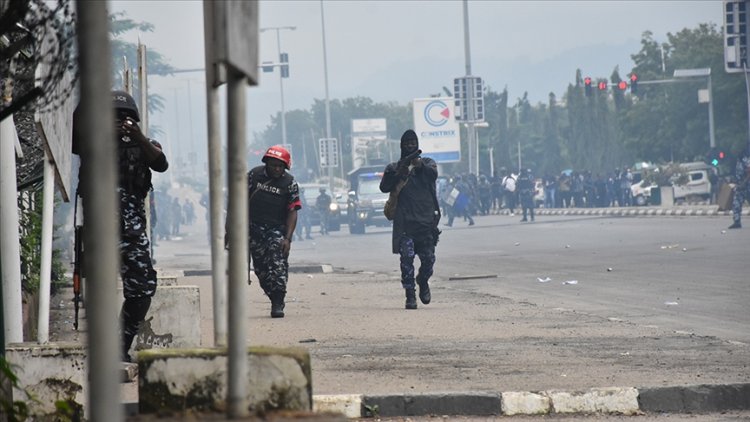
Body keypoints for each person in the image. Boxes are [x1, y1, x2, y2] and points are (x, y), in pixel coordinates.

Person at [73, 91, 169, 362]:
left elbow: (161, 164)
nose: (121, 122)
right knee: (97, 291)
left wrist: (137, 137)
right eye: (114, 117)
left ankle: (120, 343)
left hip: (132, 232)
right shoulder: (92, 144)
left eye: (126, 118)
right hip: (98, 231)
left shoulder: (146, 145)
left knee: (143, 288)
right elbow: (75, 138)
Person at [380, 129, 441, 310]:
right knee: (406, 260)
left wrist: (418, 165)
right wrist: (401, 170)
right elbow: (384, 187)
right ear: (401, 146)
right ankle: (410, 295)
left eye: (413, 142)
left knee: (428, 260)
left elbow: (432, 175)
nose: (410, 146)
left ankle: (422, 281)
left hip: (426, 223)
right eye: (406, 143)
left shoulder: (428, 163)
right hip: (405, 224)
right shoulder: (394, 168)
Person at [246, 145, 301, 317]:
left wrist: (288, 238)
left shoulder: (290, 183)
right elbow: (238, 201)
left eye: (281, 166)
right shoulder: (253, 176)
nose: (277, 169)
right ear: (266, 164)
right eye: (274, 165)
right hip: (254, 229)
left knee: (277, 265)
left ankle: (278, 302)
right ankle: (272, 295)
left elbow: (293, 211)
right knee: (261, 270)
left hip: (277, 230)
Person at [729, 147, 750, 229]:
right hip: (740, 186)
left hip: (747, 186)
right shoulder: (738, 162)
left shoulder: (745, 160)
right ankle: (737, 221)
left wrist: (744, 183)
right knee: (736, 204)